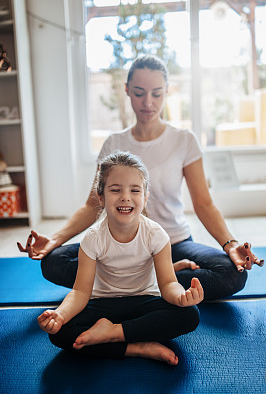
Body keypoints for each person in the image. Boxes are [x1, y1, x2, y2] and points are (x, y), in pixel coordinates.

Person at [18, 55, 263, 301]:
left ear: (167, 91)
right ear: (127, 90)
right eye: (139, 92)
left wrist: (229, 243)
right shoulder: (114, 143)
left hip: (173, 243)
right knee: (53, 262)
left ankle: (130, 282)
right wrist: (55, 239)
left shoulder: (184, 140)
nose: (148, 102)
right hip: (120, 246)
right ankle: (155, 281)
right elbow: (93, 204)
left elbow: (203, 203)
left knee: (234, 274)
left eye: (157, 93)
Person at [37, 151, 204, 364]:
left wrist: (181, 298)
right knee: (58, 333)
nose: (125, 196)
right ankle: (136, 347)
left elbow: (169, 283)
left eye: (134, 190)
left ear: (145, 197)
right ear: (101, 197)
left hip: (145, 300)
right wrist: (59, 315)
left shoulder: (156, 234)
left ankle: (113, 334)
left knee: (190, 315)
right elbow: (80, 292)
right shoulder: (93, 238)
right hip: (104, 304)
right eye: (115, 190)